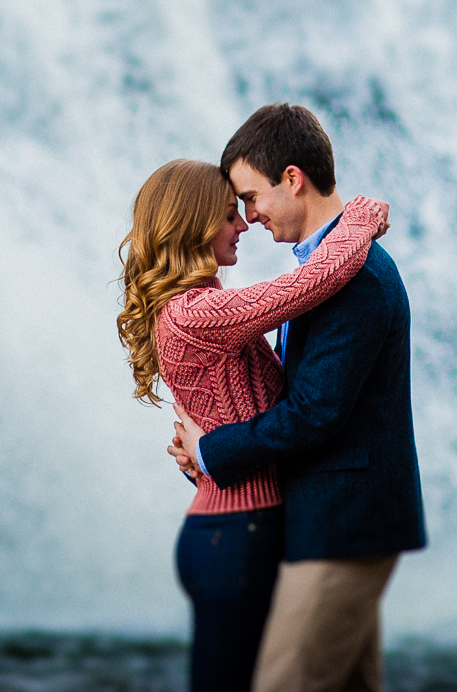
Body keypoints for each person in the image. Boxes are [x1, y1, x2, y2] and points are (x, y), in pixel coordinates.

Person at [171, 103, 427, 692]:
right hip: (336, 521)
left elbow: (316, 411)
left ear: (293, 178)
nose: (249, 216)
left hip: (343, 525)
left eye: (251, 197)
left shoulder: (351, 274)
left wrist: (214, 452)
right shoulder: (329, 269)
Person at [118, 156, 389, 692]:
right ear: (190, 224)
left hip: (232, 530)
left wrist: (204, 456)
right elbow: (312, 282)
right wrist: (360, 216)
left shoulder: (198, 308)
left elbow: (229, 423)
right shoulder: (197, 312)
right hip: (238, 537)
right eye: (227, 215)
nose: (242, 225)